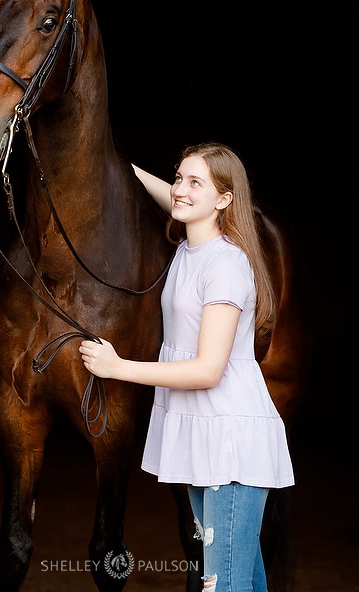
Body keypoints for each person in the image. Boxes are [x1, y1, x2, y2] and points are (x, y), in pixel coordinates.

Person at [79, 142, 294, 592]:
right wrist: (108, 158)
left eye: (196, 182)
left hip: (229, 443)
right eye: (178, 178)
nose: (180, 189)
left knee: (223, 585)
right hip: (205, 437)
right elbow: (172, 197)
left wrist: (118, 367)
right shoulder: (188, 250)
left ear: (224, 200)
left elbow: (206, 371)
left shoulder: (226, 266)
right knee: (245, 581)